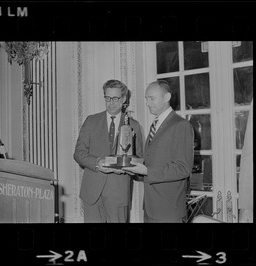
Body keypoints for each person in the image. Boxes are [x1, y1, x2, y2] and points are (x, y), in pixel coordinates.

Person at [123, 80, 194, 223]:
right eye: (146, 99)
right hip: (151, 208)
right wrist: (136, 171)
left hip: (168, 211)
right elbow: (155, 163)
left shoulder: (181, 125)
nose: (147, 103)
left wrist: (147, 171)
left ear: (167, 97)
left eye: (151, 98)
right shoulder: (156, 124)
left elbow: (183, 168)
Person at [73, 80, 143, 223]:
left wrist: (128, 169)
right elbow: (79, 153)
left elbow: (140, 159)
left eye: (116, 98)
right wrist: (98, 163)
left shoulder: (133, 125)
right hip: (92, 193)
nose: (111, 103)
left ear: (124, 99)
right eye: (107, 98)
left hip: (118, 193)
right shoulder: (91, 121)